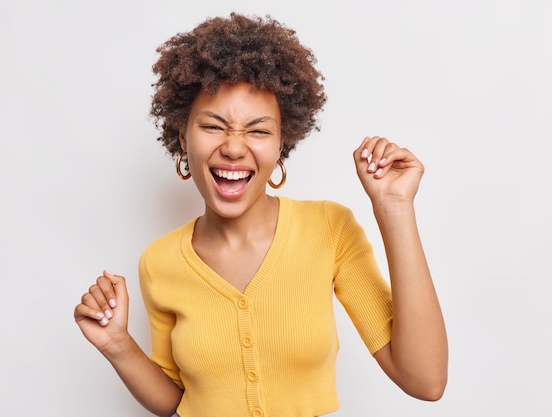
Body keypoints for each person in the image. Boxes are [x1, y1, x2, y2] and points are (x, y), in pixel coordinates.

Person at [74, 12, 448, 417]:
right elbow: (172, 400)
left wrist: (394, 208)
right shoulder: (159, 262)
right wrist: (118, 345)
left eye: (258, 130)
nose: (234, 148)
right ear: (184, 137)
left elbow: (425, 380)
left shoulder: (329, 230)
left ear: (281, 145)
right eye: (214, 126)